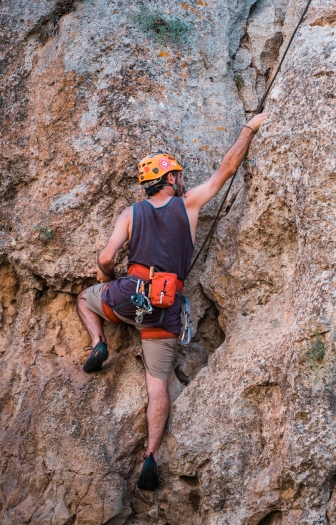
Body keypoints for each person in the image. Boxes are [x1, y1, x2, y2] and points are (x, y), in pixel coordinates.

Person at [76, 112, 269, 490]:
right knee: (157, 386)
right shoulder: (190, 205)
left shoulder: (132, 212)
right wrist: (248, 127)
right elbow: (226, 170)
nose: (182, 180)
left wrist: (107, 282)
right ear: (169, 179)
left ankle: (99, 344)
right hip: (166, 307)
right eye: (178, 175)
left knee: (85, 298)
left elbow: (104, 259)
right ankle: (151, 456)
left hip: (127, 295)